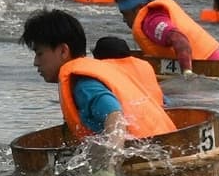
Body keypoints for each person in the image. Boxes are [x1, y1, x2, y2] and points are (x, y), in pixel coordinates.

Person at [20, 9, 175, 140]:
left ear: (63, 51)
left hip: (146, 150)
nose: (35, 62)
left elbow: (115, 116)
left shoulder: (84, 85)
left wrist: (108, 164)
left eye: (39, 54)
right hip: (166, 139)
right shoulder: (99, 72)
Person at [116, 0, 219, 73]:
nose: (124, 20)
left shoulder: (151, 21)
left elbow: (180, 40)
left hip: (208, 69)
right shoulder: (156, 14)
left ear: (139, 8)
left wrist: (188, 76)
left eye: (125, 14)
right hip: (218, 65)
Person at [92, 35, 166, 110]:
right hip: (158, 108)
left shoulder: (102, 70)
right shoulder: (145, 64)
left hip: (129, 112)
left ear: (97, 56)